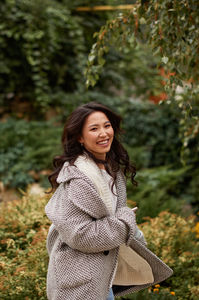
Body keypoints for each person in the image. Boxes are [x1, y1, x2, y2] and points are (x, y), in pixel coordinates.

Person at [45, 102, 173, 300]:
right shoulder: (77, 180)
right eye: (94, 129)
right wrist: (125, 221)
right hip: (79, 284)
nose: (104, 133)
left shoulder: (110, 171)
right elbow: (81, 236)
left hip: (101, 277)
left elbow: (113, 215)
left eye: (107, 126)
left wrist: (135, 236)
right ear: (80, 137)